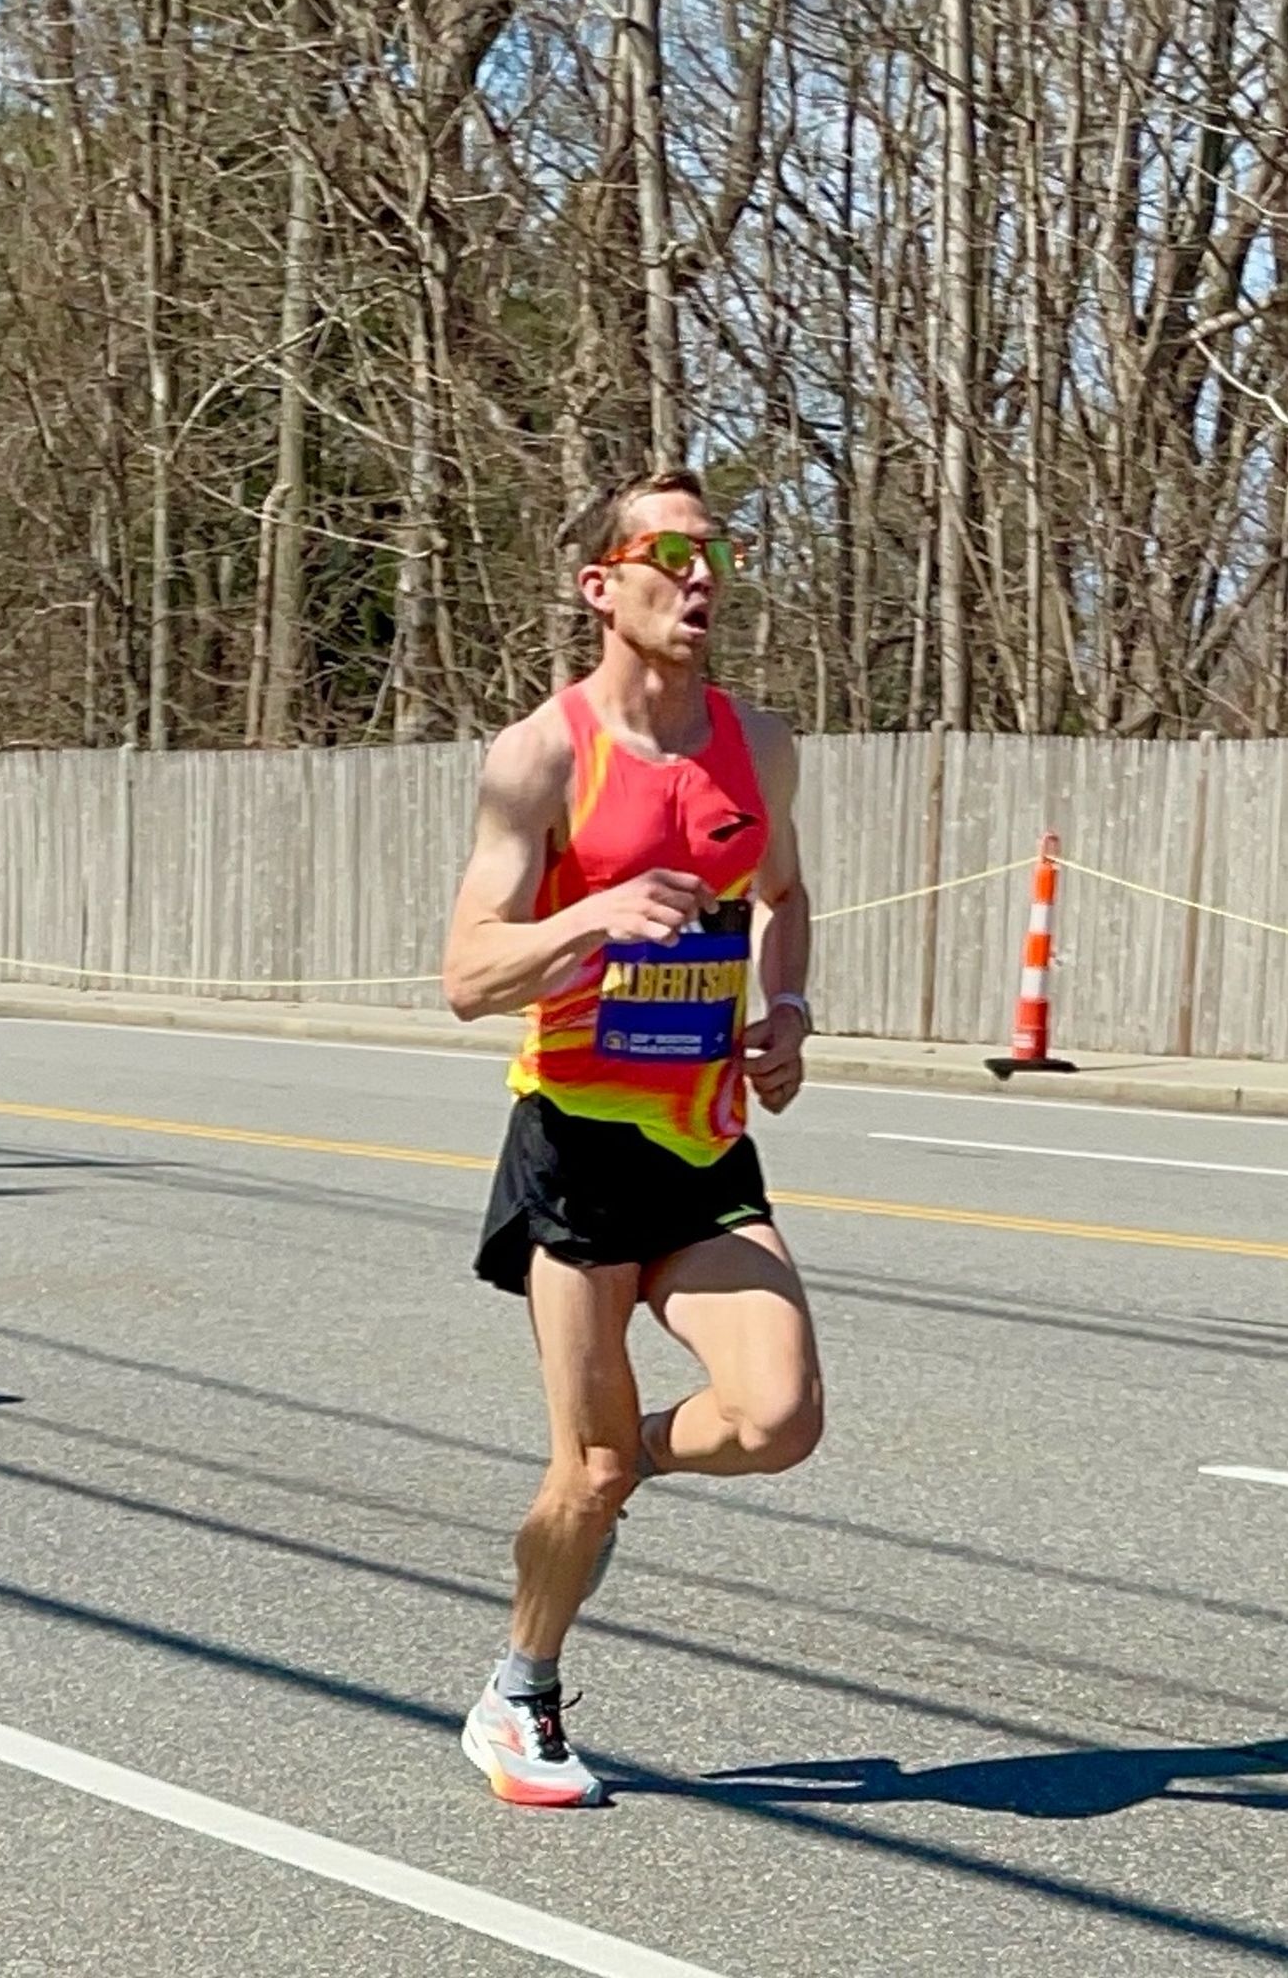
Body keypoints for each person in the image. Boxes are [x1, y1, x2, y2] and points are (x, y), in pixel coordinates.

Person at [441, 468, 823, 1808]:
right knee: (582, 1468)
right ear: (602, 585)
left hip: (704, 1144)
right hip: (577, 1146)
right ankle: (519, 1696)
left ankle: (618, 1463)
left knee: (777, 1416)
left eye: (717, 553)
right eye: (671, 553)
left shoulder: (756, 746)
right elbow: (467, 972)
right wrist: (588, 920)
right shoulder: (540, 755)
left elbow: (778, 894)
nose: (704, 575)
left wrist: (781, 1007)